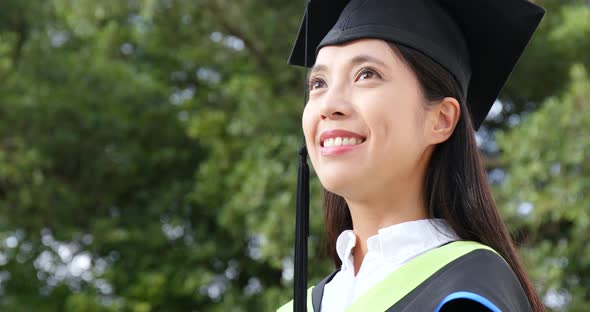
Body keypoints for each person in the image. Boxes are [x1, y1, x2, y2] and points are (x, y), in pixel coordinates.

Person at [279, 0, 546, 311]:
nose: (328, 105)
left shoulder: (469, 291)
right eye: (318, 83)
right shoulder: (301, 306)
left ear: (441, 119)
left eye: (366, 74)